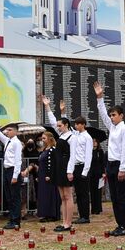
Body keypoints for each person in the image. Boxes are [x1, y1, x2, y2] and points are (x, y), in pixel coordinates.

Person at [96, 81, 125, 236]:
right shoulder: (112, 127)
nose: (111, 118)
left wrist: (122, 169)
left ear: (121, 116)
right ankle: (119, 224)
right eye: (111, 115)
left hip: (120, 165)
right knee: (114, 197)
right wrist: (100, 98)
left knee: (121, 197)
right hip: (111, 165)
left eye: (114, 115)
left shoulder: (124, 129)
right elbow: (103, 115)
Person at [43, 98, 76, 231]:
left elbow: (73, 155)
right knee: (62, 196)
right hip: (58, 168)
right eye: (58, 126)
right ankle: (64, 222)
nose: (58, 127)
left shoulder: (72, 137)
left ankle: (68, 223)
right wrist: (47, 107)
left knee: (68, 196)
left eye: (60, 125)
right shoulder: (61, 135)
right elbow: (53, 121)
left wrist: (70, 171)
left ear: (66, 125)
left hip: (66, 168)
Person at [0, 122, 24, 230]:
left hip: (13, 170)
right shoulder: (7, 141)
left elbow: (18, 160)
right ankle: (11, 218)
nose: (7, 132)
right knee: (9, 197)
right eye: (7, 130)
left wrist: (15, 176)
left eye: (10, 130)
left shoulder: (17, 143)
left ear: (16, 131)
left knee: (15, 197)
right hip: (6, 170)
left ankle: (16, 220)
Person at [67, 112, 94, 224]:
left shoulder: (87, 137)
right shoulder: (76, 135)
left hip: (83, 166)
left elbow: (88, 155)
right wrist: (63, 113)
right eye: (75, 124)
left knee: (84, 193)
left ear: (83, 125)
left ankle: (85, 216)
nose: (76, 126)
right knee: (78, 193)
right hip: (76, 166)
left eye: (78, 124)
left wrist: (85, 171)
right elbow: (67, 127)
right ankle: (81, 214)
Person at [34, 131, 59, 222]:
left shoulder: (52, 149)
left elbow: (53, 164)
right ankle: (44, 213)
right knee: (43, 195)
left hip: (48, 176)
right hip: (42, 175)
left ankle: (51, 214)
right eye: (42, 138)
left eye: (44, 138)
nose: (42, 140)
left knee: (49, 194)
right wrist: (38, 175)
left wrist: (49, 175)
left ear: (49, 139)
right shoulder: (44, 150)